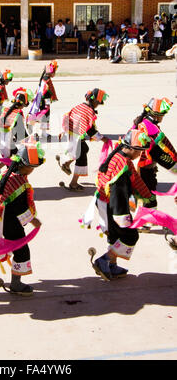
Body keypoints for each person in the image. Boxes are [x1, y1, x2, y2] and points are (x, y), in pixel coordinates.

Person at [0, 139, 44, 296]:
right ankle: (16, 284)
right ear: (22, 164)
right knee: (21, 251)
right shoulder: (18, 179)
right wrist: (32, 219)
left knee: (10, 245)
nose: (32, 170)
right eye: (31, 167)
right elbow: (17, 206)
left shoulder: (9, 173)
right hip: (11, 220)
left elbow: (3, 194)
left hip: (5, 217)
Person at [86, 128, 156, 281]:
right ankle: (104, 261)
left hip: (104, 201)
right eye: (138, 151)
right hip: (113, 205)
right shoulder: (122, 169)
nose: (139, 155)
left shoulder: (121, 156)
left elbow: (135, 178)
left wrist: (147, 196)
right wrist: (122, 218)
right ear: (130, 148)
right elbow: (118, 195)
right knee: (130, 235)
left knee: (115, 234)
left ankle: (112, 266)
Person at [132, 98, 177, 229]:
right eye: (162, 114)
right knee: (148, 196)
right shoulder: (151, 128)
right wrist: (174, 163)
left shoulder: (143, 122)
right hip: (143, 167)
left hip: (142, 166)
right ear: (156, 114)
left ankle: (145, 221)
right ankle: (143, 224)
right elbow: (164, 149)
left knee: (146, 195)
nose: (163, 117)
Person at [56, 89, 109, 191]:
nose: (98, 105)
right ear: (95, 101)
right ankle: (73, 183)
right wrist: (103, 138)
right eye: (98, 103)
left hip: (72, 134)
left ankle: (65, 162)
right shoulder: (89, 111)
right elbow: (90, 130)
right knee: (82, 159)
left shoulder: (80, 106)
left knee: (84, 149)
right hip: (77, 137)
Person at [0, 87, 33, 178]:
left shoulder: (5, 109)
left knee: (13, 157)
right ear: (23, 104)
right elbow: (21, 136)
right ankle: (6, 185)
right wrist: (31, 142)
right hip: (6, 144)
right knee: (17, 160)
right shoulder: (17, 114)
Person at [27, 61, 59, 141]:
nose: (55, 73)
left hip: (41, 100)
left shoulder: (45, 78)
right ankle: (34, 132)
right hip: (44, 101)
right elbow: (45, 92)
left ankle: (42, 133)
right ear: (51, 72)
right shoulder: (47, 80)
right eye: (54, 71)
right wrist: (47, 103)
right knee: (42, 115)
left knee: (43, 116)